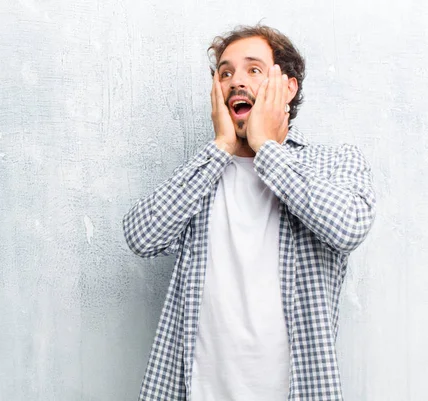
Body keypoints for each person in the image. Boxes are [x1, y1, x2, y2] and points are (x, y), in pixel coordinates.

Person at [122, 24, 376, 401]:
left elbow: (349, 227)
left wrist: (266, 148)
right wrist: (222, 146)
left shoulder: (332, 163)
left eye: (253, 70)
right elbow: (140, 236)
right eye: (225, 73)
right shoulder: (203, 174)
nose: (236, 81)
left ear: (287, 87)